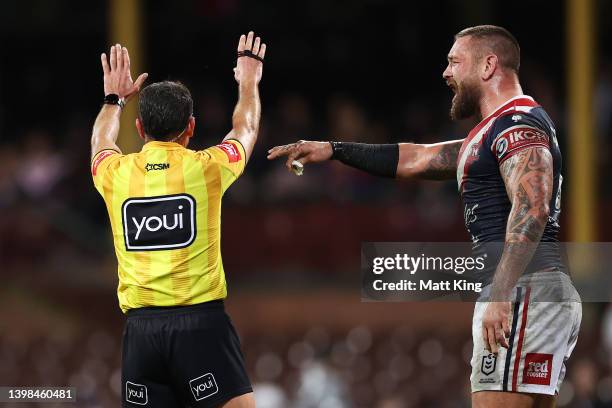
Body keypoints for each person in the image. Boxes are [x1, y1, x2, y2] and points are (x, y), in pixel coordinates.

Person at [267, 25, 581, 408]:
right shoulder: (493, 131)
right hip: (533, 289)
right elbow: (416, 159)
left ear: (488, 65)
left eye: (454, 61)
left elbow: (532, 206)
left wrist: (501, 292)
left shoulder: (517, 123)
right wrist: (333, 149)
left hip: (522, 288)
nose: (445, 72)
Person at [90, 32, 266, 408]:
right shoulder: (207, 169)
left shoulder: (115, 174)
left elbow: (100, 143)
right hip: (200, 327)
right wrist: (248, 83)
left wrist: (114, 99)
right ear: (191, 128)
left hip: (140, 336)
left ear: (139, 130)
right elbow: (245, 130)